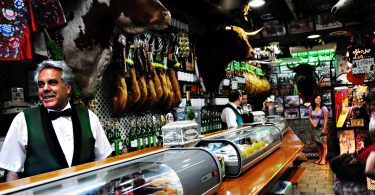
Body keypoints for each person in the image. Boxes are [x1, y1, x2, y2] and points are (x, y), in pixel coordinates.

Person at [0, 60, 112, 181]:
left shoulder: (89, 117)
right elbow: (12, 173)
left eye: (52, 83)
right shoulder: (22, 120)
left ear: (68, 88)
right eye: (41, 84)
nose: (45, 89)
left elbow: (104, 159)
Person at [308, 94, 329, 165]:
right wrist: (313, 123)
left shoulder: (324, 108)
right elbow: (310, 117)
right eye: (316, 98)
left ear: (321, 100)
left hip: (322, 128)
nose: (318, 100)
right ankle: (320, 158)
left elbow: (326, 119)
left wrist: (324, 129)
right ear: (314, 99)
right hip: (315, 129)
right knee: (318, 145)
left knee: (324, 145)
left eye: (319, 98)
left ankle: (324, 159)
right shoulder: (311, 107)